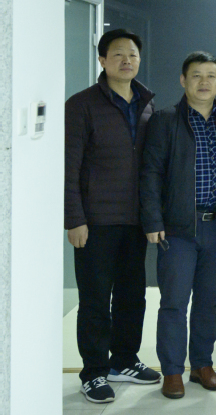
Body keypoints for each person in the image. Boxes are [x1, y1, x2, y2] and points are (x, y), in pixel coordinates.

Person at [64, 29, 161, 404]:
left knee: (132, 297)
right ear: (102, 60)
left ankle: (124, 360)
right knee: (94, 301)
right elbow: (69, 167)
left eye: (132, 54)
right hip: (95, 222)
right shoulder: (82, 105)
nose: (126, 60)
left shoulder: (147, 104)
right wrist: (74, 219)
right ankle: (93, 372)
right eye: (118, 54)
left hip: (135, 221)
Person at [140, 51, 216, 399]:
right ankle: (173, 371)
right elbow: (150, 173)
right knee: (174, 303)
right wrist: (153, 219)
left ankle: (202, 365)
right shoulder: (165, 120)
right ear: (183, 80)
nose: (204, 82)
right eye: (196, 75)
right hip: (177, 228)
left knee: (209, 302)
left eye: (211, 76)